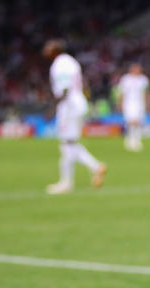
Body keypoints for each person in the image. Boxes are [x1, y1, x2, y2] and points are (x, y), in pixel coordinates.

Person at [43, 39, 107, 194]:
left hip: (69, 106)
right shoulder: (71, 62)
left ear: (56, 50)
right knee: (69, 143)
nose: (45, 50)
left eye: (48, 47)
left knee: (66, 143)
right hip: (77, 103)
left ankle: (67, 182)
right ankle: (94, 167)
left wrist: (52, 109)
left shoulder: (60, 64)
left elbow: (64, 89)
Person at [117, 63, 150, 152]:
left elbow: (146, 92)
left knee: (139, 121)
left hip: (140, 102)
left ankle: (137, 139)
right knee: (131, 121)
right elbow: (121, 92)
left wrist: (147, 103)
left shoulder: (143, 79)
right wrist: (119, 103)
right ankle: (130, 139)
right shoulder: (126, 79)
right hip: (129, 102)